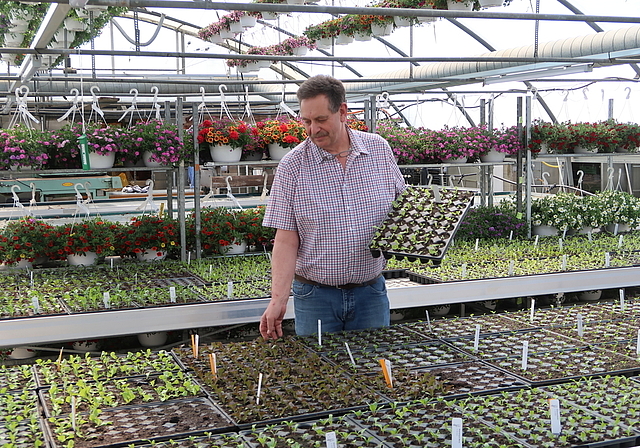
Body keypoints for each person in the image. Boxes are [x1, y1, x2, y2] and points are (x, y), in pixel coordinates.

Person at [259, 75, 406, 340]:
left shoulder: (379, 151)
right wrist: (278, 299)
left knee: (374, 371)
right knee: (320, 374)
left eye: (321, 120)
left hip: (370, 293)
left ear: (342, 112)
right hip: (316, 296)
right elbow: (285, 239)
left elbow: (404, 208)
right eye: (307, 121)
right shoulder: (292, 167)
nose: (313, 129)